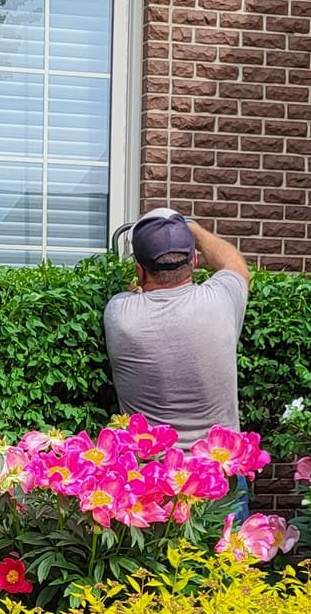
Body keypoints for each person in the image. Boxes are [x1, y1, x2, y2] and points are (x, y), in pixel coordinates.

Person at [104, 206, 251, 516]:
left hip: (155, 482)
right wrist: (193, 229)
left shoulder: (119, 314)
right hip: (219, 475)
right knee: (231, 564)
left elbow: (138, 297)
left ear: (140, 270)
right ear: (194, 260)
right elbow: (233, 263)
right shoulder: (222, 300)